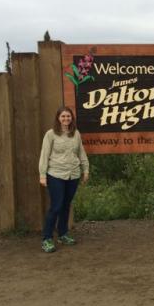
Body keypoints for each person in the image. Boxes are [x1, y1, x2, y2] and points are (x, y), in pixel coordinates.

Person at [39, 106, 89, 253]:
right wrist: (42, 175)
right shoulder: (51, 134)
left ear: (71, 118)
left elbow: (81, 153)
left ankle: (63, 234)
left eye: (68, 116)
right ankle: (47, 239)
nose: (66, 119)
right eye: (63, 116)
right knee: (56, 206)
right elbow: (44, 155)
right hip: (55, 174)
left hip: (73, 174)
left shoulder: (76, 134)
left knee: (66, 205)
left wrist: (85, 170)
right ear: (58, 118)